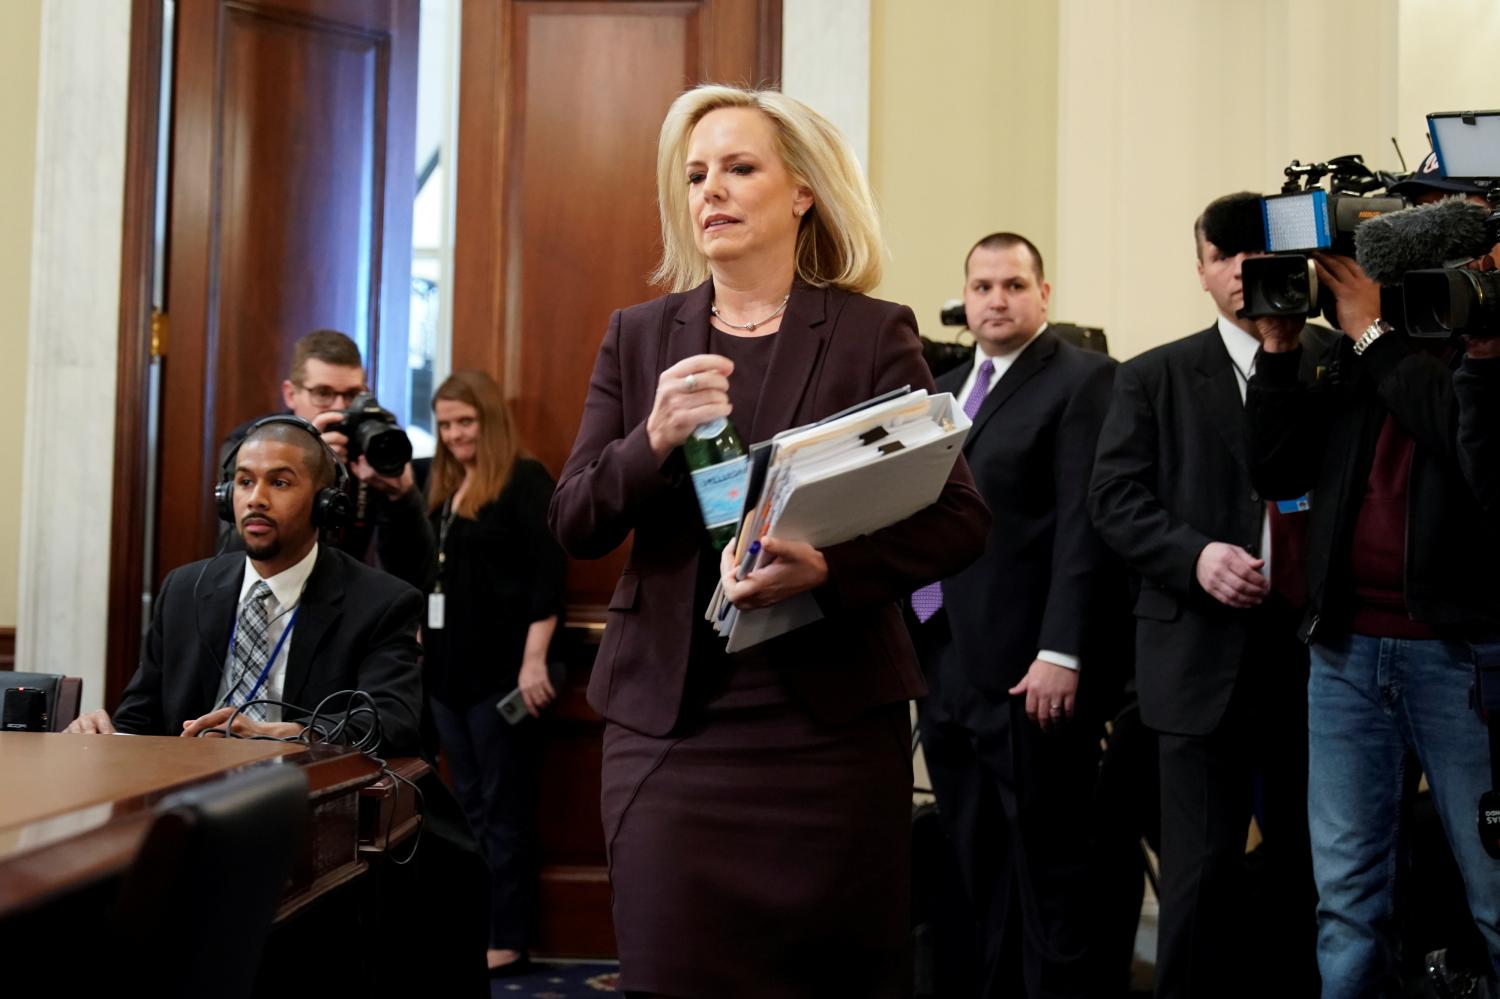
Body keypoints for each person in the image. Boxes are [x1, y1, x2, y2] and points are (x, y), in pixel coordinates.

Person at [548, 84, 990, 998]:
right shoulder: (638, 338)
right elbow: (577, 519)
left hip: (826, 731)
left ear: (801, 192)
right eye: (697, 172)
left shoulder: (872, 332)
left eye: (739, 167)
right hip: (672, 730)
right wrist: (654, 437)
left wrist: (831, 569)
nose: (711, 189)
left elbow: (959, 517)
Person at [1247, 233, 1500, 996]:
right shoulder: (1351, 353)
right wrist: (1283, 354)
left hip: (1460, 659)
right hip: (1346, 655)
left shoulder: (1480, 346)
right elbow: (1276, 470)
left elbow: (1469, 452)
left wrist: (1374, 333)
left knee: (1495, 899)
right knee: (1348, 907)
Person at [1088, 193, 1326, 999]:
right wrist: (1194, 557)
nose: (1242, 269)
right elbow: (1114, 499)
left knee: (1316, 870)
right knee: (1198, 878)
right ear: (1201, 272)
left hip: (1317, 652)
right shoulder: (1154, 374)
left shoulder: (1334, 361)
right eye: (1223, 256)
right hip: (1194, 653)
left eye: (1256, 253)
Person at [907, 231, 1124, 998]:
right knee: (975, 866)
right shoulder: (948, 389)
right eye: (982, 286)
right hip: (942, 660)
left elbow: (1081, 526)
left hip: (1029, 669)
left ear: (1043, 294)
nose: (996, 299)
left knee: (1051, 869)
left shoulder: (1083, 380)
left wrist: (1061, 650)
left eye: (1012, 285)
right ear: (964, 298)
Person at [69, 415, 423, 753]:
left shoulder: (381, 603)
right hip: (190, 791)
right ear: (227, 497)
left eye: (279, 482)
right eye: (245, 482)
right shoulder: (183, 589)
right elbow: (139, 719)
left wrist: (287, 734)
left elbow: (392, 720)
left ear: (325, 504)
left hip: (302, 794)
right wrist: (105, 735)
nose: (256, 499)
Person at [415, 369, 565, 976]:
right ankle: (472, 928)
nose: (454, 435)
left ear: (489, 420)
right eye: (445, 424)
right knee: (466, 808)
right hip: (445, 678)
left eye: (465, 423)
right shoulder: (440, 485)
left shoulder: (525, 479)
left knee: (503, 812)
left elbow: (548, 576)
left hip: (501, 676)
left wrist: (535, 661)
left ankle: (508, 936)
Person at [219, 329, 428, 588]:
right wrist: (309, 462)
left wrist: (404, 497)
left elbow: (414, 573)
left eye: (352, 395)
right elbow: (241, 557)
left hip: (352, 603)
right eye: (323, 393)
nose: (339, 407)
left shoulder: (373, 441)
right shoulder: (252, 446)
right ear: (290, 394)